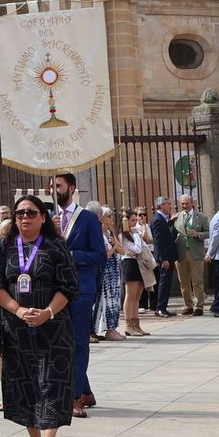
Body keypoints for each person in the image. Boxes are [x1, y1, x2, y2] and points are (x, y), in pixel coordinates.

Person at [0, 194, 78, 437]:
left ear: (43, 217)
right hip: (16, 328)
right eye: (20, 213)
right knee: (25, 384)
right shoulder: (4, 247)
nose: (25, 217)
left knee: (52, 383)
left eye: (31, 212)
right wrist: (18, 310)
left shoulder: (56, 247)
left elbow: (69, 287)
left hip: (54, 328)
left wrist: (47, 312)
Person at [51, 174, 106, 418]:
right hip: (56, 291)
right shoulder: (50, 219)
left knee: (78, 343)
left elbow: (100, 255)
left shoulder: (87, 218)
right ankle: (85, 390)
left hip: (81, 289)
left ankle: (74, 398)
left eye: (58, 186)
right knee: (61, 343)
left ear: (71, 189)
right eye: (51, 186)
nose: (54, 190)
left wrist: (71, 255)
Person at [173, 194, 209, 315]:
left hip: (196, 253)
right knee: (183, 282)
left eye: (186, 203)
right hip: (181, 253)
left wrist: (198, 234)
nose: (184, 206)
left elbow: (209, 232)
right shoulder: (177, 217)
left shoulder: (201, 217)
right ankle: (188, 305)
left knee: (197, 281)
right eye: (182, 204)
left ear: (192, 203)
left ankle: (199, 306)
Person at [117, 209, 151, 336]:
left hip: (138, 263)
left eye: (136, 220)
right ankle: (128, 324)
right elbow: (137, 249)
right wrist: (137, 235)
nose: (135, 223)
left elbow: (143, 247)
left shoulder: (134, 234)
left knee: (137, 296)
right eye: (132, 220)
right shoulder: (123, 235)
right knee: (130, 295)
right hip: (129, 264)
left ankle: (136, 324)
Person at [95, 207, 126, 341]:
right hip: (105, 271)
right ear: (101, 218)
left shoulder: (110, 233)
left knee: (114, 300)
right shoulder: (98, 234)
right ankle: (107, 329)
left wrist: (114, 245)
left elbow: (123, 250)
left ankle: (112, 328)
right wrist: (114, 247)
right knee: (105, 302)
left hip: (114, 270)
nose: (111, 219)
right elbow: (105, 255)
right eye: (109, 217)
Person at [149, 198, 179, 318]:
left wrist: (170, 223)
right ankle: (160, 308)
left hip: (168, 256)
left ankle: (163, 307)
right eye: (168, 204)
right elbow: (158, 241)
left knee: (166, 283)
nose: (170, 206)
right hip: (164, 257)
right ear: (160, 206)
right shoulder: (157, 219)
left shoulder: (162, 219)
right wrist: (164, 259)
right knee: (163, 283)